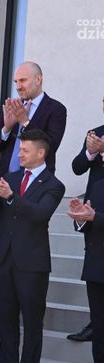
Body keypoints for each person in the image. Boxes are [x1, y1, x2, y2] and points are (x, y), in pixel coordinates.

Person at [0, 61, 67, 328]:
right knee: (4, 244)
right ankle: (1, 308)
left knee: (25, 241)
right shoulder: (12, 108)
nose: (18, 86)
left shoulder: (55, 109)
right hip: (7, 182)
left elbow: (50, 146)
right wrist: (7, 127)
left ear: (38, 79)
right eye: (16, 81)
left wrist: (25, 122)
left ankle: (25, 306)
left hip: (36, 187)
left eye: (23, 81)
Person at [0, 129, 65, 363]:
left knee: (31, 321)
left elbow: (40, 214)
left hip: (32, 262)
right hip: (4, 257)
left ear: (41, 153)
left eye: (25, 150)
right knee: (5, 319)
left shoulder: (54, 185)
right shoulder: (11, 178)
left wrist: (10, 197)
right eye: (19, 149)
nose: (20, 154)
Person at [67, 98, 104, 343]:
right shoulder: (95, 133)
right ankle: (95, 323)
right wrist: (91, 152)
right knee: (95, 270)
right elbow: (77, 167)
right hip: (94, 208)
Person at [68, 182, 104, 363]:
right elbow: (87, 222)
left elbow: (97, 217)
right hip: (97, 268)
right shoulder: (99, 184)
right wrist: (80, 216)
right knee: (100, 335)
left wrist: (96, 217)